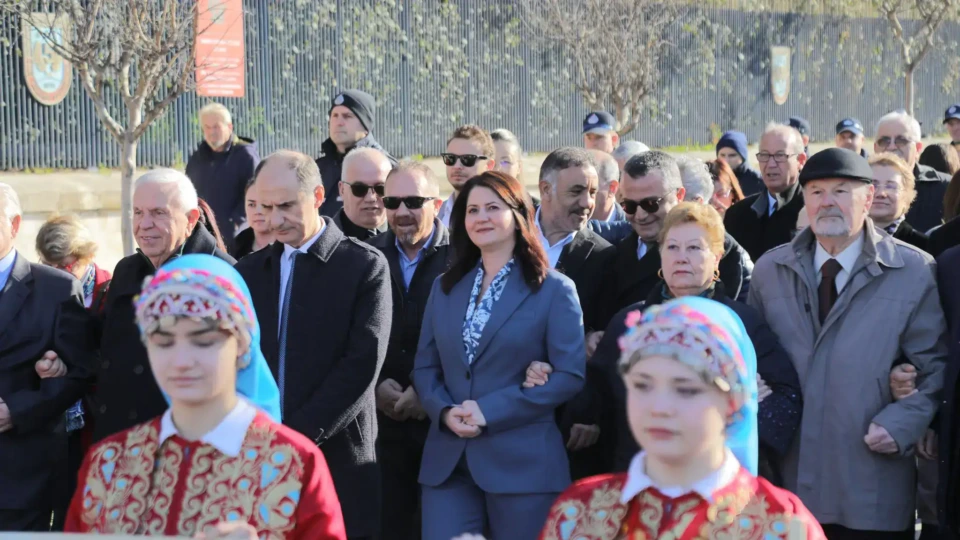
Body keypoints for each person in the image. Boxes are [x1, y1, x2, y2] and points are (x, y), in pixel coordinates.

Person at [64, 254, 347, 539]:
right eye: (163, 342)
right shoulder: (109, 464)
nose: (181, 360)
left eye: (203, 341)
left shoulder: (292, 461)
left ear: (241, 344)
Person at [748, 147, 947, 539]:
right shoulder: (771, 270)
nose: (827, 202)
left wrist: (901, 424)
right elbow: (753, 357)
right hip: (788, 484)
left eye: (841, 191)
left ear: (868, 198)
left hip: (870, 480)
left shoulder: (912, 270)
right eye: (816, 192)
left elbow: (935, 365)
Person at [538, 297, 826, 540]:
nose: (659, 407)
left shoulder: (783, 526)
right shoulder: (579, 512)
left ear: (733, 401)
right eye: (642, 385)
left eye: (686, 389)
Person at [412, 171, 586, 540]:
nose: (481, 217)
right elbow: (425, 367)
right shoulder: (444, 288)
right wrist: (443, 410)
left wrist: (489, 411)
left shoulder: (554, 289)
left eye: (493, 207)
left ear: (518, 214)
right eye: (472, 210)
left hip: (523, 466)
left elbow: (570, 375)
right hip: (449, 463)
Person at [581, 203, 801, 482]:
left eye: (695, 248)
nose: (681, 258)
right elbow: (597, 399)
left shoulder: (741, 322)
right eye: (672, 247)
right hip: (640, 475)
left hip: (720, 477)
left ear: (717, 257)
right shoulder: (631, 322)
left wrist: (745, 400)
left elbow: (786, 396)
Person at [235, 150, 391, 540]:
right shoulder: (250, 271)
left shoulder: (364, 266)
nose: (274, 219)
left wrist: (296, 435)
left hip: (339, 458)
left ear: (319, 195)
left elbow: (360, 366)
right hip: (263, 457)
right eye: (265, 207)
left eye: (286, 206)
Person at [95, 169, 235, 441]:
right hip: (121, 441)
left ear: (191, 219)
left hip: (190, 445)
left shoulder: (222, 276)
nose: (144, 224)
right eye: (138, 212)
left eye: (159, 213)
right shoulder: (126, 270)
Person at [0, 184, 93, 532]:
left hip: (20, 477)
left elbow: (80, 371)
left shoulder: (54, 289)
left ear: (14, 225)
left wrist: (17, 410)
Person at [369, 161, 452, 540]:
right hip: (380, 427)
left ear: (437, 203)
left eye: (414, 201)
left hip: (444, 425)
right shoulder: (365, 257)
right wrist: (374, 388)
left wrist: (428, 393)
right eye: (393, 201)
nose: (402, 212)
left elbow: (473, 339)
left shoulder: (465, 258)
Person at [535, 148, 616, 478]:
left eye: (593, 192)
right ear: (545, 190)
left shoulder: (603, 258)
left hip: (566, 423)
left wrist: (589, 412)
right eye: (576, 191)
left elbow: (602, 344)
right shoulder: (508, 239)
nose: (587, 203)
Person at [603, 150, 751, 323]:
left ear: (679, 195)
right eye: (629, 205)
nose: (641, 215)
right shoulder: (613, 248)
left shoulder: (721, 249)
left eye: (651, 204)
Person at [34, 214, 113, 530]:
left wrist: (74, 364)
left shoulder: (112, 288)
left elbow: (110, 354)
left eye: (65, 267)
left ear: (88, 257)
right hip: (52, 421)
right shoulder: (38, 288)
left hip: (95, 422)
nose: (57, 275)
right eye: (47, 265)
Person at [724, 122, 808, 264]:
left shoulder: (812, 211)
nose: (771, 164)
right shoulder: (737, 215)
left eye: (780, 155)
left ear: (800, 160)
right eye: (764, 155)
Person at [185, 103, 260, 251]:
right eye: (207, 127)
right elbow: (187, 192)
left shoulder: (245, 156)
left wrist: (235, 222)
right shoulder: (197, 158)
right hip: (201, 236)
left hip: (236, 239)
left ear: (229, 127)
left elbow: (257, 193)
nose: (211, 132)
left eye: (216, 127)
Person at [316, 89, 397, 217]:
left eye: (347, 116)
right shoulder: (318, 169)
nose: (339, 122)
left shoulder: (386, 167)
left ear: (366, 126)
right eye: (335, 115)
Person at [874, 110, 950, 233]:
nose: (892, 146)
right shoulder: (860, 186)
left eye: (901, 140)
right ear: (875, 147)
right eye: (884, 140)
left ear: (918, 148)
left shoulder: (945, 187)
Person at [438, 125, 495, 228]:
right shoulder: (437, 213)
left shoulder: (500, 214)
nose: (457, 166)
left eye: (468, 159)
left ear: (489, 165)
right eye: (451, 158)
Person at [868, 153, 928, 251]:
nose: (881, 193)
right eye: (873, 185)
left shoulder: (923, 246)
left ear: (907, 195)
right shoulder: (842, 242)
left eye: (891, 186)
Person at [333, 147, 390, 240]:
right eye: (359, 189)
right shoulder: (321, 245)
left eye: (380, 188)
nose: (371, 198)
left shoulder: (409, 240)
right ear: (342, 189)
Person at [231, 177, 275, 259]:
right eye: (251, 205)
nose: (258, 211)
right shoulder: (234, 250)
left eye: (264, 204)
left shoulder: (291, 249)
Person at [716, 130, 764, 196]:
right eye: (722, 155)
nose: (726, 160)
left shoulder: (759, 181)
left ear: (742, 157)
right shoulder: (713, 178)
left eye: (732, 155)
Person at [588, 149, 624, 223]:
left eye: (590, 189)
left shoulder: (634, 229)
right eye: (576, 190)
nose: (581, 198)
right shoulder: (564, 228)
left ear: (612, 188)